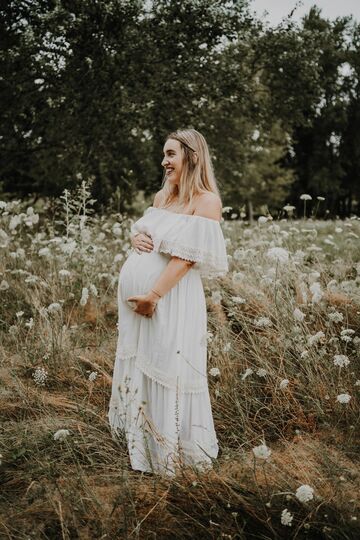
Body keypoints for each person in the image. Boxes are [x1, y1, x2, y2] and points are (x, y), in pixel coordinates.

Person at [108, 128, 229, 476]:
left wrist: (153, 295)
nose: (164, 161)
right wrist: (135, 235)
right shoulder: (163, 197)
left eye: (170, 154)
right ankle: (141, 443)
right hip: (144, 305)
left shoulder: (206, 201)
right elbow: (149, 232)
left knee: (167, 365)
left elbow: (186, 258)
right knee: (143, 362)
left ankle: (169, 454)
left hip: (170, 300)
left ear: (191, 156)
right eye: (164, 154)